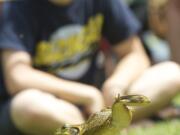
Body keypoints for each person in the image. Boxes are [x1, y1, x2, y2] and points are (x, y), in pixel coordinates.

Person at [0, 0, 180, 135]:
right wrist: (87, 95)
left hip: (100, 102)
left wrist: (116, 84)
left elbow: (135, 53)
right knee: (28, 105)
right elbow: (17, 77)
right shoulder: (18, 8)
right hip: (52, 105)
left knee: (172, 73)